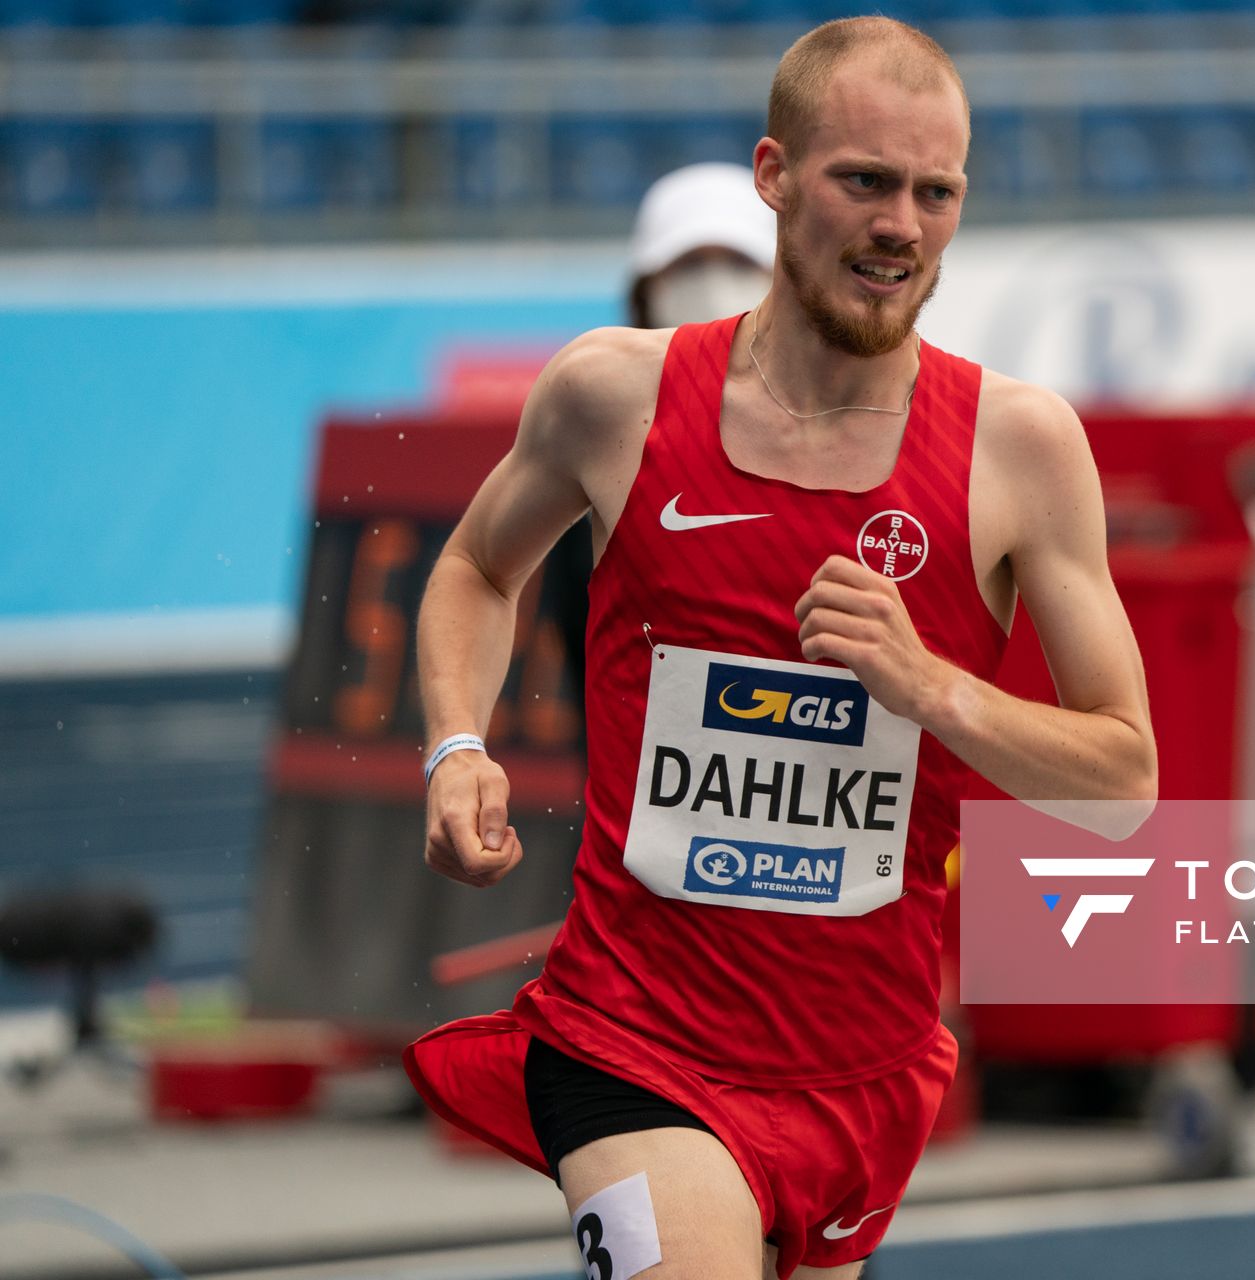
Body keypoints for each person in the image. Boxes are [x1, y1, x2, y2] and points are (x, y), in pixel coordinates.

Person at [404, 17, 1157, 1280]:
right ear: (775, 175)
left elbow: (1125, 783)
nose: (901, 225)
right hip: (633, 1037)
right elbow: (478, 568)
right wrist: (456, 744)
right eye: (864, 180)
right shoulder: (615, 395)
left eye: (935, 192)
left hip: (864, 1069)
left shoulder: (1021, 447)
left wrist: (931, 685)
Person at [551, 162, 779, 723]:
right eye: (689, 265)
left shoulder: (849, 437)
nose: (713, 283)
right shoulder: (593, 443)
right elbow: (481, 571)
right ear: (645, 290)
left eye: (737, 262)